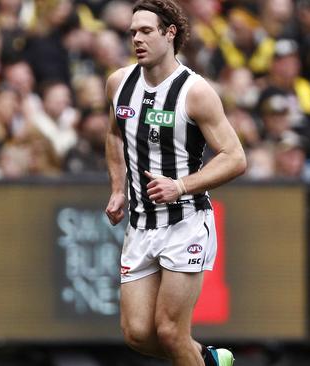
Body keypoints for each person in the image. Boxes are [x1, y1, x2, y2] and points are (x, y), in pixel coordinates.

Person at [104, 1, 246, 365]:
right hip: (140, 225)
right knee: (137, 333)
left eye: (146, 31)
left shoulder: (194, 91)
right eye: (133, 32)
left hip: (185, 223)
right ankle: (209, 360)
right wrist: (118, 189)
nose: (137, 38)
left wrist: (181, 186)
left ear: (170, 34)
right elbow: (114, 135)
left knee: (169, 331)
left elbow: (235, 157)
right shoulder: (119, 83)